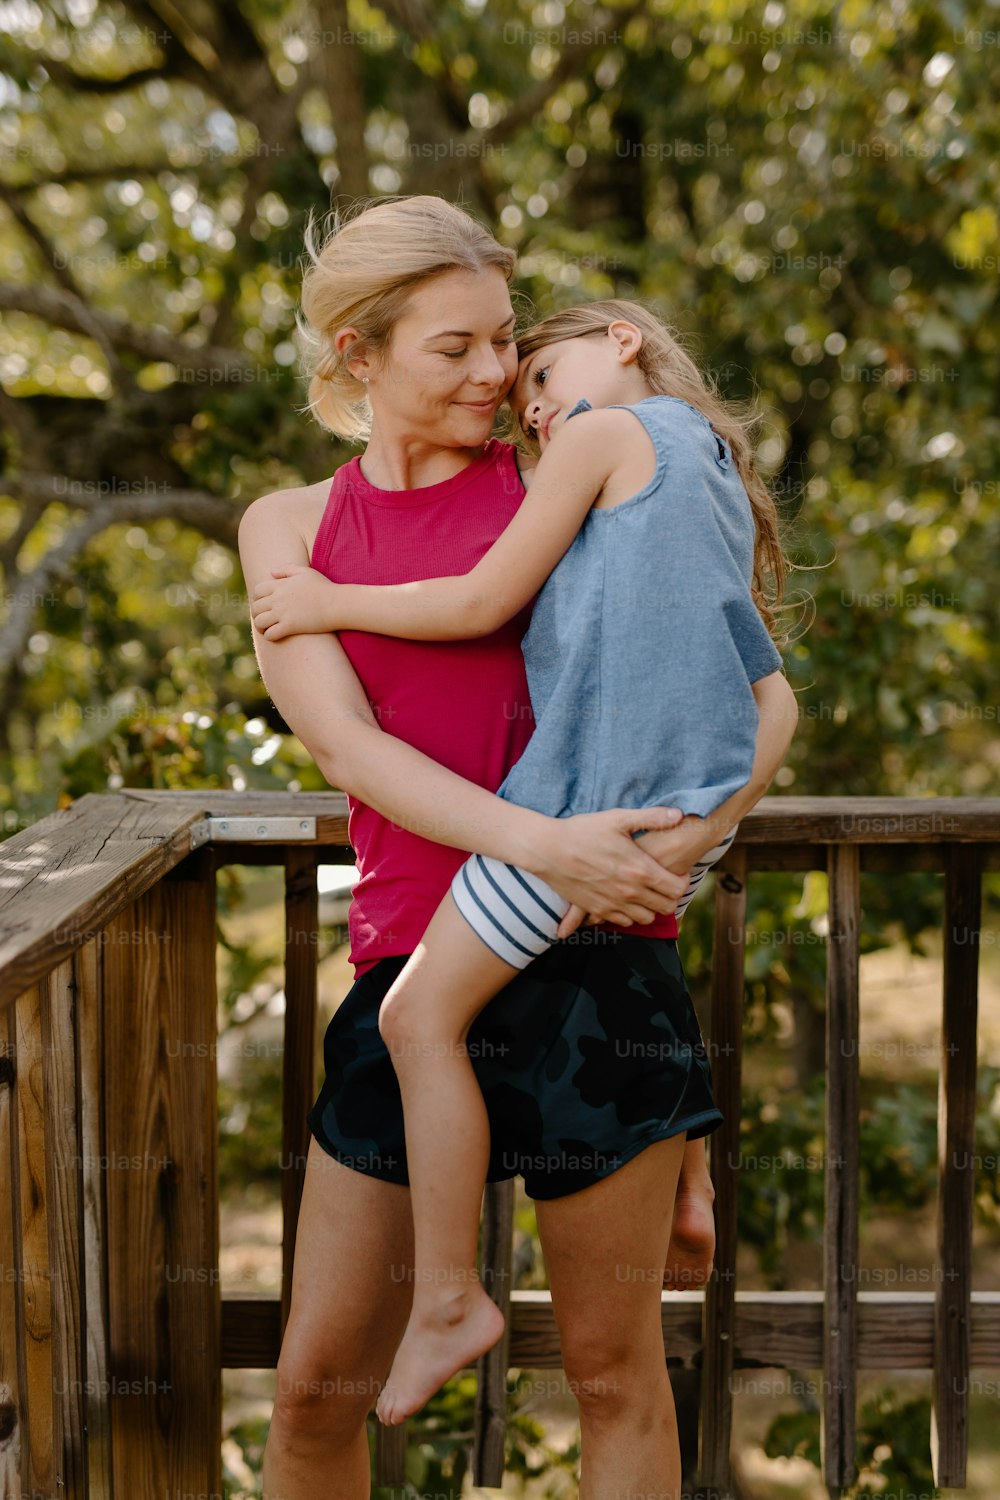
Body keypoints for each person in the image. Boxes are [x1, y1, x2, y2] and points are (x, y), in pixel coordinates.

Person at [239, 196, 798, 1500]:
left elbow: (735, 690)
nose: (501, 375)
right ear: (357, 355)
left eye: (508, 341)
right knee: (319, 1385)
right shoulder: (289, 529)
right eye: (458, 348)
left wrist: (688, 842)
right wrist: (553, 848)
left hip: (607, 968)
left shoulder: (578, 469)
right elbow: (348, 751)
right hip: (413, 965)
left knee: (613, 1375)